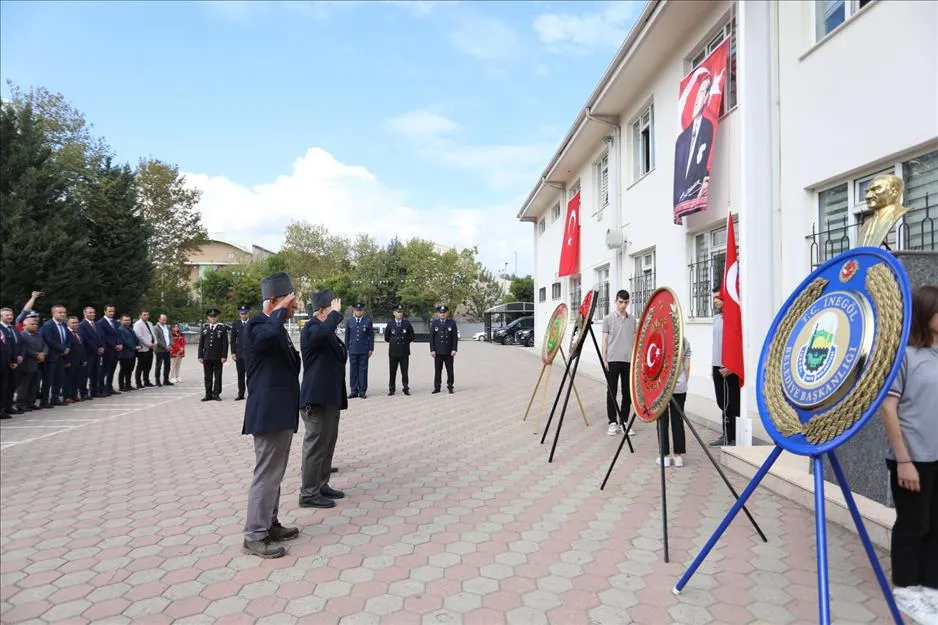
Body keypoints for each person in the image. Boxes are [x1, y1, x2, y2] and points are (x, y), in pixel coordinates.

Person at [881, 284, 938, 622]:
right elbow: (889, 409)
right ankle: (906, 590)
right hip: (912, 457)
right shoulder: (905, 356)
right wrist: (904, 460)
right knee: (913, 524)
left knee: (936, 524)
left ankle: (930, 587)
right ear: (924, 313)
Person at [241, 272, 302, 558]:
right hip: (267, 413)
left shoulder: (276, 327)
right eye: (291, 301)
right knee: (266, 475)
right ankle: (254, 534)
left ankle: (270, 523)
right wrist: (277, 312)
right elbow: (264, 340)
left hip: (281, 412)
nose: (295, 307)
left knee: (275, 474)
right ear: (275, 301)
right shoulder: (256, 324)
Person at [299, 288, 348, 509]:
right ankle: (308, 493)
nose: (337, 310)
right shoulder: (312, 328)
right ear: (320, 310)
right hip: (316, 398)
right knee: (315, 446)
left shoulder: (327, 330)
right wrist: (335, 316)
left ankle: (321, 484)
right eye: (332, 306)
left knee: (328, 443)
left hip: (330, 396)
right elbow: (320, 336)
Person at [673, 73, 714, 208]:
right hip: (684, 199)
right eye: (696, 94)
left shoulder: (708, 128)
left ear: (707, 97)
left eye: (701, 93)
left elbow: (704, 161)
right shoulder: (682, 139)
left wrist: (705, 179)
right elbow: (679, 179)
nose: (696, 100)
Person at [601, 290, 637, 436]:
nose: (623, 305)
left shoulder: (632, 319)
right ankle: (612, 422)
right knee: (612, 392)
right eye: (621, 302)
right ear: (616, 301)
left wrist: (635, 359)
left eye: (626, 302)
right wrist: (604, 358)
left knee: (627, 393)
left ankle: (624, 421)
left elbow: (634, 340)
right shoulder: (608, 319)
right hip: (613, 359)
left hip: (628, 360)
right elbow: (604, 339)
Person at [710, 284, 739, 447]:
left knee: (731, 403)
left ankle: (731, 436)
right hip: (716, 366)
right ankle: (726, 434)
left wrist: (732, 365)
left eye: (717, 298)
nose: (715, 301)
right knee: (722, 402)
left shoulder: (733, 318)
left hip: (728, 367)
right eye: (713, 297)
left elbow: (738, 344)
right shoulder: (717, 318)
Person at [658, 337, 691, 468]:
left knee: (662, 420)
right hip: (679, 386)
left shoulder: (660, 337)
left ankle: (665, 456)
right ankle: (678, 456)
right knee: (678, 420)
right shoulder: (683, 339)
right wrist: (683, 381)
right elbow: (687, 365)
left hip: (661, 387)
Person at [39, 305, 70, 407]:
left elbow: (67, 338)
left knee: (59, 379)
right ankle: (44, 401)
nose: (62, 314)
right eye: (60, 312)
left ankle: (55, 398)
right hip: (51, 357)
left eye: (64, 312)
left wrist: (67, 348)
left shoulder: (64, 325)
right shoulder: (48, 325)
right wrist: (62, 348)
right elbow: (49, 340)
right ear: (53, 313)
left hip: (61, 357)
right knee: (48, 380)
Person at [16, 312, 47, 411]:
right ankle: (21, 404)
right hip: (27, 364)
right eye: (32, 324)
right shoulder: (22, 335)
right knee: (24, 385)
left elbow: (45, 346)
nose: (35, 326)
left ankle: (31, 402)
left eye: (36, 324)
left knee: (35, 385)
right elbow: (25, 349)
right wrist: (36, 355)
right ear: (25, 325)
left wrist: (44, 354)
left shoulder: (38, 335)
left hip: (37, 364)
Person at [198, 309, 228, 401]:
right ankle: (208, 394)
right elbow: (201, 343)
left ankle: (216, 394)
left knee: (218, 376)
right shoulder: (205, 329)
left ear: (217, 317)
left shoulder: (222, 329)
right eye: (211, 317)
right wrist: (200, 356)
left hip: (218, 356)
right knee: (208, 376)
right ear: (208, 318)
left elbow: (225, 344)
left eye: (214, 317)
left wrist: (224, 356)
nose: (213, 318)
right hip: (207, 356)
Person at [345, 302, 374, 399]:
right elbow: (347, 337)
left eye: (360, 310)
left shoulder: (368, 321)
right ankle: (354, 391)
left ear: (363, 311)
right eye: (357, 310)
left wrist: (371, 348)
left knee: (363, 370)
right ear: (354, 311)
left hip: (363, 350)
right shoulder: (349, 321)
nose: (359, 312)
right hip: (352, 349)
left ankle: (362, 391)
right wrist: (346, 349)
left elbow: (371, 336)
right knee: (353, 371)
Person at [384, 304, 414, 396]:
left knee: (404, 371)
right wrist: (394, 342)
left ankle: (405, 388)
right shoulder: (390, 324)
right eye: (398, 312)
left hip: (404, 351)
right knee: (392, 371)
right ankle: (391, 389)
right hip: (393, 352)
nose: (400, 314)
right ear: (394, 313)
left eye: (401, 312)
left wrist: (404, 342)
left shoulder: (407, 323)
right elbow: (387, 337)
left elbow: (412, 336)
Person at [0, 307, 24, 417]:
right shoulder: (1, 329)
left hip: (14, 363)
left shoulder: (13, 328)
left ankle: (9, 406)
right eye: (7, 315)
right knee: (3, 387)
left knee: (11, 386)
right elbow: (4, 348)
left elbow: (19, 344)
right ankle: (2, 409)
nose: (10, 317)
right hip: (5, 363)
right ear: (1, 317)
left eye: (11, 315)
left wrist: (20, 356)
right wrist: (11, 360)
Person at [429, 304, 458, 394]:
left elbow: (454, 337)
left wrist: (454, 349)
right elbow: (431, 338)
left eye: (444, 312)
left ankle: (450, 386)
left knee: (450, 370)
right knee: (438, 370)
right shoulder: (434, 323)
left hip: (449, 351)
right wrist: (432, 350)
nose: (442, 314)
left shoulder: (451, 323)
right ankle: (437, 387)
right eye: (440, 313)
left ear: (447, 313)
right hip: (438, 351)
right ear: (438, 314)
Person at [96, 304, 123, 396]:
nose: (112, 313)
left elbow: (118, 335)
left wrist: (120, 344)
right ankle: (101, 388)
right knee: (104, 370)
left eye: (113, 311)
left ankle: (109, 387)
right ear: (105, 311)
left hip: (116, 351)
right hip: (107, 350)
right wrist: (114, 345)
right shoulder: (100, 323)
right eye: (110, 311)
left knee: (112, 370)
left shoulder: (116, 322)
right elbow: (103, 337)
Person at [79, 307, 103, 399]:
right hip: (88, 353)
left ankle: (94, 391)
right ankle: (83, 393)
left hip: (98, 353)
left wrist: (102, 347)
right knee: (86, 374)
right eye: (90, 312)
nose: (92, 314)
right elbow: (85, 339)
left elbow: (101, 337)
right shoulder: (82, 325)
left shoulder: (97, 324)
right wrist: (96, 348)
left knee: (95, 373)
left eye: (93, 312)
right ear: (84, 313)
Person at [63, 316, 87, 404]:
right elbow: (66, 348)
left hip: (79, 360)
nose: (75, 324)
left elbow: (82, 347)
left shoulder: (78, 333)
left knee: (77, 379)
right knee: (68, 379)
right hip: (70, 360)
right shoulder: (66, 333)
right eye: (73, 323)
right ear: (68, 324)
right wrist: (66, 361)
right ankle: (67, 396)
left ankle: (74, 395)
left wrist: (84, 359)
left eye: (76, 322)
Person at [231, 305, 251, 400]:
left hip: (250, 355)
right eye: (242, 314)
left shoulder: (252, 323)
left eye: (245, 313)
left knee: (250, 375)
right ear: (239, 314)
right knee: (240, 375)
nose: (243, 315)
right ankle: (241, 394)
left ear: (248, 313)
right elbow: (232, 339)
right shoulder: (236, 324)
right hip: (239, 354)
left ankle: (252, 393)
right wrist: (233, 352)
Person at [117, 315, 139, 392]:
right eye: (125, 320)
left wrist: (138, 345)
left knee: (130, 370)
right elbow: (125, 341)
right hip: (124, 354)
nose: (127, 321)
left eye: (129, 320)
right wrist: (134, 347)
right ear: (121, 321)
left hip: (132, 354)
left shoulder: (130, 329)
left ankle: (128, 385)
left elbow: (135, 339)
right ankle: (121, 386)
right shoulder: (120, 329)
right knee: (123, 370)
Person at [153, 314, 173, 386]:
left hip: (167, 350)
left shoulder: (167, 327)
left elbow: (170, 336)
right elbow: (156, 339)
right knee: (159, 365)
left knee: (167, 365)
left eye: (165, 320)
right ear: (159, 319)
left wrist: (170, 345)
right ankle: (157, 381)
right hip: (159, 350)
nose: (164, 321)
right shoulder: (156, 328)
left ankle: (166, 380)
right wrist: (165, 346)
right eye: (163, 320)